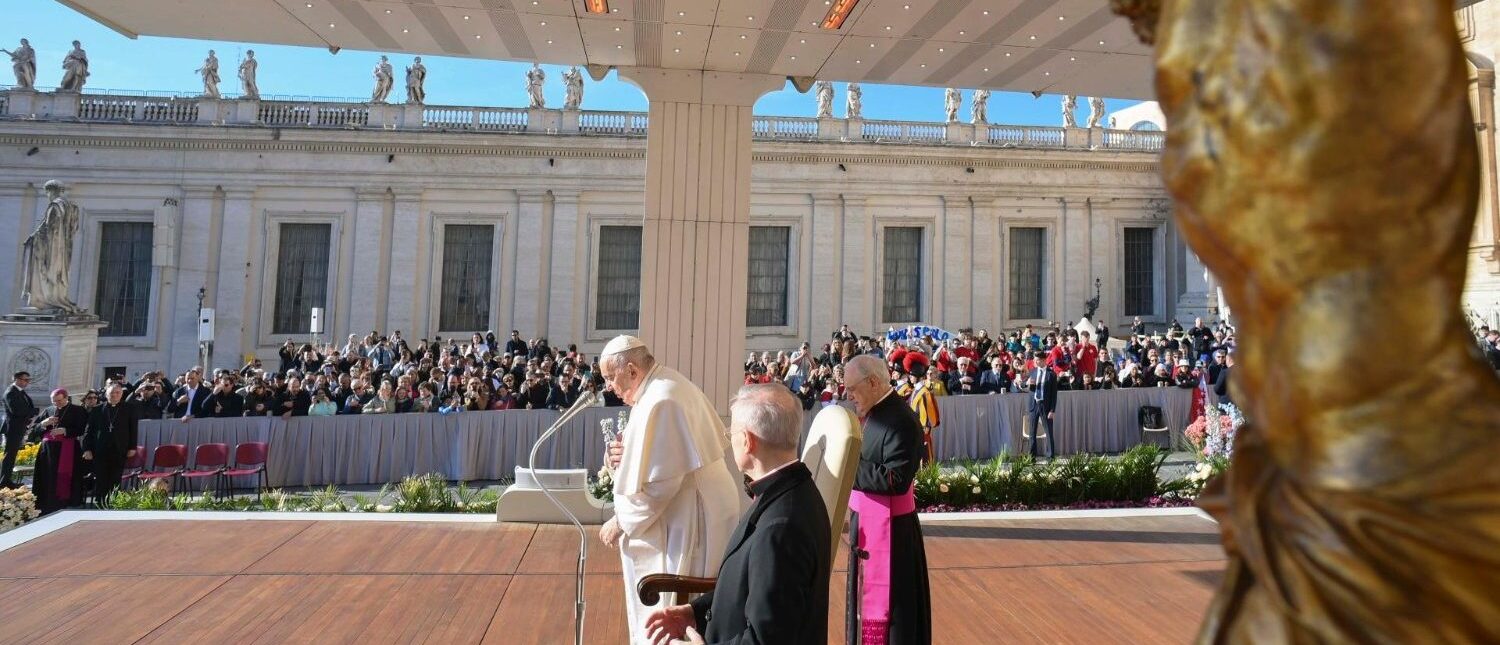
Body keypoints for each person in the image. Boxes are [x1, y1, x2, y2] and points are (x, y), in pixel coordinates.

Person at [643, 385, 830, 645]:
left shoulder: (781, 526)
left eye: (732, 433)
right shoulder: (789, 489)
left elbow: (768, 639)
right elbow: (751, 587)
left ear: (747, 440)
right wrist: (696, 612)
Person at [597, 335, 745, 644]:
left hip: (695, 517)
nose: (608, 386)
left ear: (632, 370)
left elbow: (660, 486)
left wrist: (621, 521)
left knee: (675, 612)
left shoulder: (662, 397)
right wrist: (618, 460)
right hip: (690, 506)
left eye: (611, 377)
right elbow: (649, 463)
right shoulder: (657, 387)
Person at [843, 355, 932, 644]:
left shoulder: (901, 421)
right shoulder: (875, 413)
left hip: (893, 536)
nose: (848, 395)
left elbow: (895, 479)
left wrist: (845, 464)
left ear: (872, 382)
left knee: (896, 616)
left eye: (852, 388)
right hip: (868, 527)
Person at [30, 388, 88, 513]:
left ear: (66, 398)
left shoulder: (78, 410)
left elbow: (82, 429)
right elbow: (33, 430)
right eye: (54, 401)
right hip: (48, 451)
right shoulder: (48, 410)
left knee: (66, 476)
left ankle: (66, 501)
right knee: (48, 476)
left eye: (59, 401)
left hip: (68, 449)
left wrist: (65, 431)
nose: (56, 404)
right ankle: (47, 501)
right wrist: (43, 424)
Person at [82, 384, 138, 506]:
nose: (114, 395)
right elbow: (89, 431)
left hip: (120, 448)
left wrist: (132, 447)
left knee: (116, 477)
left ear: (121, 394)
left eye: (117, 392)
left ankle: (114, 501)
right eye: (112, 393)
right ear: (106, 394)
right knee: (101, 477)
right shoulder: (97, 409)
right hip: (100, 449)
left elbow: (133, 429)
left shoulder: (129, 408)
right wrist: (87, 449)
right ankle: (100, 502)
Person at [1, 371, 38, 488]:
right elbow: (17, 411)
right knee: (9, 455)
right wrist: (33, 412)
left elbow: (27, 407)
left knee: (12, 455)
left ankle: (6, 480)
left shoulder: (20, 392)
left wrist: (31, 413)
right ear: (16, 379)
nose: (27, 382)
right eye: (25, 379)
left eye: (28, 380)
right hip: (12, 428)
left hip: (19, 427)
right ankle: (3, 482)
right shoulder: (11, 392)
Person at [1025, 350, 1059, 460]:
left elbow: (1054, 394)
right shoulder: (1032, 371)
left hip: (1046, 406)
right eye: (1035, 360)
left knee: (1049, 432)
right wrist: (1026, 383)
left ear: (1044, 360)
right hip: (1033, 405)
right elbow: (1021, 383)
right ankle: (1031, 457)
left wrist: (1052, 410)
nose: (1035, 362)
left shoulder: (1051, 374)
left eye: (1037, 360)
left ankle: (1050, 457)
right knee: (1032, 432)